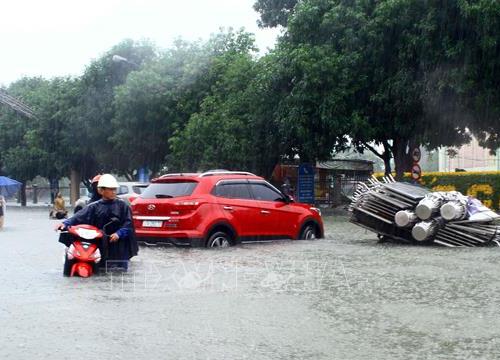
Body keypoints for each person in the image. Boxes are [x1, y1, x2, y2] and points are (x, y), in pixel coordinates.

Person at [55, 174, 138, 270]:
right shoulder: (93, 206)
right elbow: (78, 217)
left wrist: (119, 234)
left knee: (118, 271)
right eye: (110, 189)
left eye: (114, 189)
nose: (113, 192)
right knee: (100, 269)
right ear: (101, 191)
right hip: (101, 243)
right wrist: (64, 224)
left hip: (119, 245)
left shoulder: (123, 206)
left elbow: (128, 224)